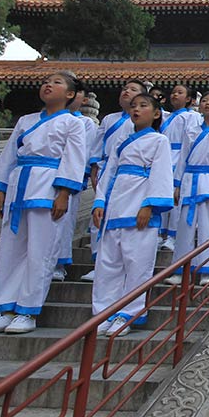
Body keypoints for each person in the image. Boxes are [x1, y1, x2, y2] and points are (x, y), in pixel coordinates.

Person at [0, 72, 86, 334]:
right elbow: (9, 157)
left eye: (57, 82)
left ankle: (28, 311)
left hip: (49, 186)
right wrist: (2, 189)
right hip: (18, 186)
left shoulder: (73, 123)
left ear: (70, 94)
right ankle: (2, 308)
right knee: (10, 251)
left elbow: (74, 158)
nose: (49, 85)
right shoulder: (26, 120)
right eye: (46, 82)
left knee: (40, 252)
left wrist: (63, 193)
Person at [91, 92, 173, 336]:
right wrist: (99, 201)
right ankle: (103, 313)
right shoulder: (120, 143)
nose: (136, 109)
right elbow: (108, 173)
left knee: (137, 263)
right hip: (115, 205)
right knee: (108, 264)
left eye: (144, 106)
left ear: (156, 113)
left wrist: (149, 205)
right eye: (134, 106)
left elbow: (160, 174)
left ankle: (129, 312)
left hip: (139, 206)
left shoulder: (159, 141)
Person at [167, 92, 209, 286]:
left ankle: (207, 270)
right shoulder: (191, 130)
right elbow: (182, 159)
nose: (207, 104)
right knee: (184, 229)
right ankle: (179, 270)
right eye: (204, 100)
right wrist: (178, 184)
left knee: (208, 228)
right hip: (189, 180)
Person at [82, 79, 147, 282]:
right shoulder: (109, 119)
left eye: (133, 90)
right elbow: (97, 144)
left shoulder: (141, 124)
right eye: (125, 89)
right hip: (106, 170)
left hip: (131, 176)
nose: (127, 92)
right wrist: (93, 168)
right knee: (99, 216)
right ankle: (97, 260)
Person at [52, 80, 97, 282]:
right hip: (40, 177)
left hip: (69, 178)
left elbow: (82, 153)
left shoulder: (84, 123)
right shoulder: (34, 121)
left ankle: (58, 263)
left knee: (63, 222)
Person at [158, 84, 201, 253]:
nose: (175, 95)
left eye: (180, 93)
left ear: (189, 99)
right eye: (174, 92)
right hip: (163, 157)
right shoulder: (166, 116)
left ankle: (172, 236)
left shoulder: (191, 117)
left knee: (176, 199)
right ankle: (160, 234)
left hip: (179, 157)